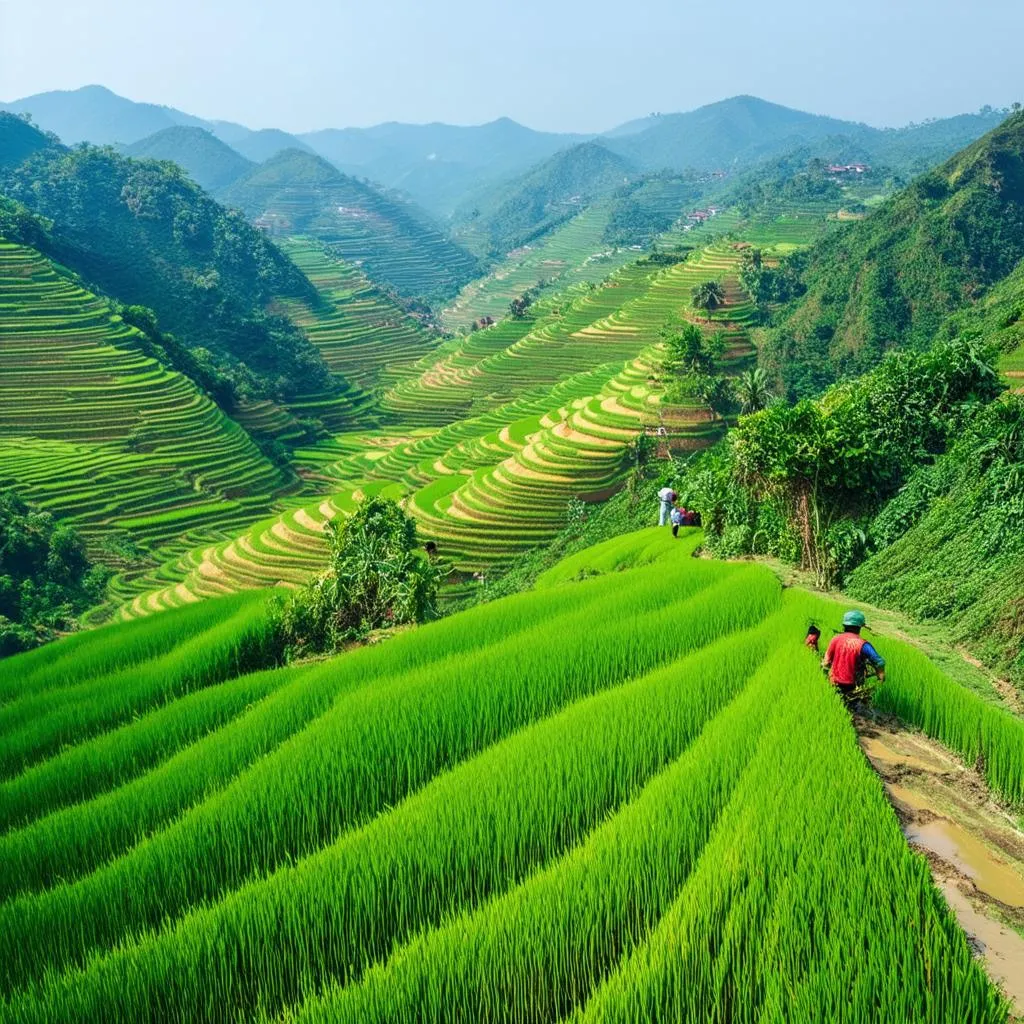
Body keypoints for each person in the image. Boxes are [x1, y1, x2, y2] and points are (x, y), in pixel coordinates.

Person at [821, 610, 886, 703]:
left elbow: (826, 662)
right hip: (853, 687)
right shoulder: (863, 644)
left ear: (844, 625)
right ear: (860, 626)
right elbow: (879, 662)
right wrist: (881, 676)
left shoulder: (835, 639)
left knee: (836, 704)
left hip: (834, 683)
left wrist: (824, 678)